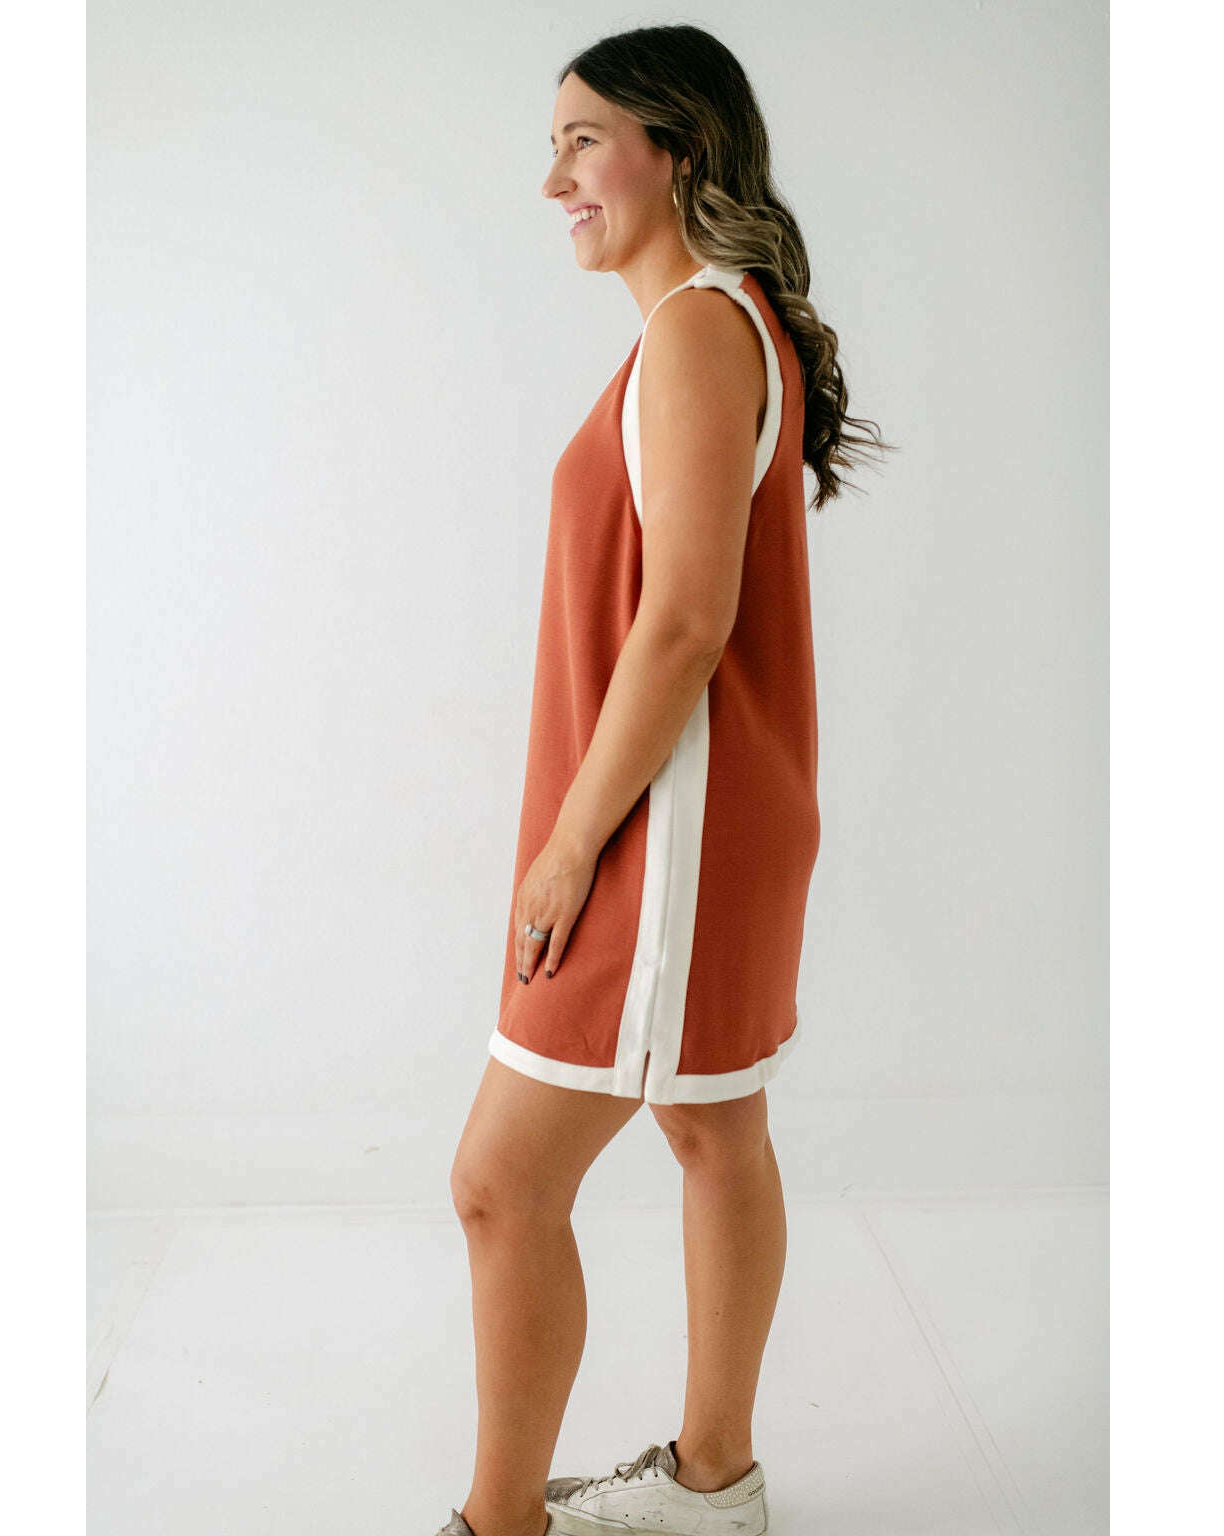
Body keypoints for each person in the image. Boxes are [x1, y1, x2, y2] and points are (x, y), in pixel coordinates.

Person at [437, 24, 891, 1536]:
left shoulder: (700, 329)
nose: (555, 178)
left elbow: (687, 619)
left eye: (584, 140)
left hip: (665, 829)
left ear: (678, 149)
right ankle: (714, 1485)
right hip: (712, 814)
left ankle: (502, 1523)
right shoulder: (714, 326)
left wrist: (571, 845)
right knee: (714, 1131)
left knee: (501, 1182)